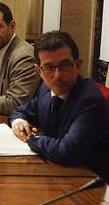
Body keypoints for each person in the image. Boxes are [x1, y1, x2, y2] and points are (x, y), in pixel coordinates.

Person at [10, 31, 109, 182]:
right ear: (39, 71)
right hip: (53, 173)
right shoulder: (46, 89)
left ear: (78, 65)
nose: (57, 75)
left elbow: (67, 152)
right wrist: (19, 123)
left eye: (65, 65)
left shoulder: (90, 101)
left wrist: (32, 138)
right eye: (49, 67)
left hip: (87, 184)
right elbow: (20, 111)